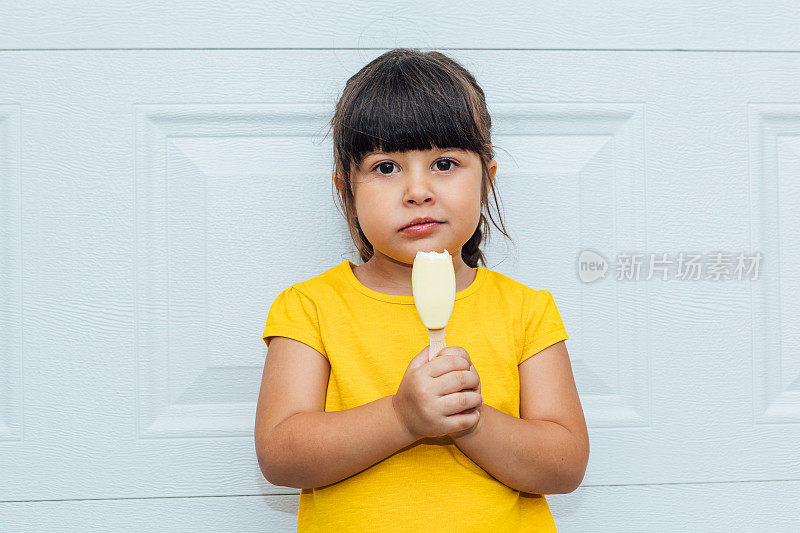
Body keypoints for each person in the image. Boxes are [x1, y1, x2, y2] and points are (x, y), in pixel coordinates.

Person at [254, 48, 589, 532]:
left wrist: (471, 419)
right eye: (386, 167)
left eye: (445, 163)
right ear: (346, 190)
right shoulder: (309, 308)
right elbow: (281, 457)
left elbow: (565, 465)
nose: (417, 191)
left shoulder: (526, 310)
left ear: (487, 181)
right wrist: (401, 417)